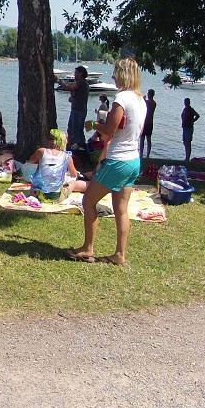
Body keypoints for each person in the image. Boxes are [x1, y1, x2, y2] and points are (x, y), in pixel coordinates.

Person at [66, 57, 147, 267]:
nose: (112, 76)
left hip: (118, 160)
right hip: (133, 160)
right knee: (121, 209)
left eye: (115, 72)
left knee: (88, 201)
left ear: (123, 75)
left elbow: (110, 130)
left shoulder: (122, 98)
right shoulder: (141, 100)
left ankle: (87, 249)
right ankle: (119, 255)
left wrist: (93, 123)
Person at [26, 128, 87, 199]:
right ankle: (92, 188)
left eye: (48, 138)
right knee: (73, 184)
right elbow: (74, 175)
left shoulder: (41, 151)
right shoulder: (66, 156)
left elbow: (29, 163)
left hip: (36, 194)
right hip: (54, 197)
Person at [54, 65, 90, 149]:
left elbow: (68, 87)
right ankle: (76, 145)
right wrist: (72, 98)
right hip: (77, 109)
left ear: (81, 74)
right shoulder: (82, 83)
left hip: (79, 109)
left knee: (76, 129)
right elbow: (75, 94)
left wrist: (58, 81)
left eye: (76, 73)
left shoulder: (81, 82)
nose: (74, 74)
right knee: (73, 128)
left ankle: (77, 147)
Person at [180, 97, 200, 163]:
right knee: (185, 142)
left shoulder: (191, 110)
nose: (185, 103)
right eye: (185, 102)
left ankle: (187, 158)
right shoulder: (185, 109)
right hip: (185, 127)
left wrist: (193, 121)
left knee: (188, 143)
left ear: (188, 103)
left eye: (186, 102)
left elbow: (197, 115)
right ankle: (186, 157)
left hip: (189, 128)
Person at [139, 89, 156, 159]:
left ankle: (146, 154)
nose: (148, 94)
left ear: (151, 95)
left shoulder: (152, 103)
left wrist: (143, 98)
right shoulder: (152, 102)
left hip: (148, 123)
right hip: (147, 123)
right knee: (143, 139)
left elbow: (144, 102)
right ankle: (142, 154)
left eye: (148, 93)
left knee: (147, 139)